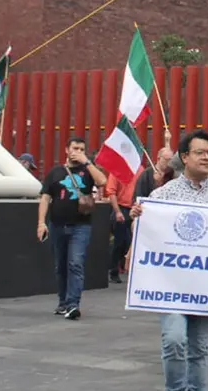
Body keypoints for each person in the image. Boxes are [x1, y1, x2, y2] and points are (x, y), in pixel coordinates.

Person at [129, 130, 208, 391]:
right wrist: (137, 218)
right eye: (200, 153)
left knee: (198, 347)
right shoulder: (164, 193)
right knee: (175, 340)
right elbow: (144, 231)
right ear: (184, 157)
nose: (207, 158)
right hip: (171, 284)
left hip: (205, 283)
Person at [36, 136, 108, 320]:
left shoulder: (87, 170)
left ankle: (73, 304)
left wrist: (88, 162)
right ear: (67, 150)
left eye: (82, 149)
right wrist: (41, 222)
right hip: (57, 224)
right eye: (75, 148)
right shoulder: (55, 172)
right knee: (60, 266)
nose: (78, 152)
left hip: (80, 226)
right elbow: (45, 197)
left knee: (75, 263)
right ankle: (63, 302)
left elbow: (102, 181)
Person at [104, 156, 139, 283]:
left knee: (132, 242)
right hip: (121, 208)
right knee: (120, 242)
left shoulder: (140, 170)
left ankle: (130, 270)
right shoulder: (116, 171)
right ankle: (113, 270)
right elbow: (111, 192)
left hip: (135, 208)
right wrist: (117, 211)